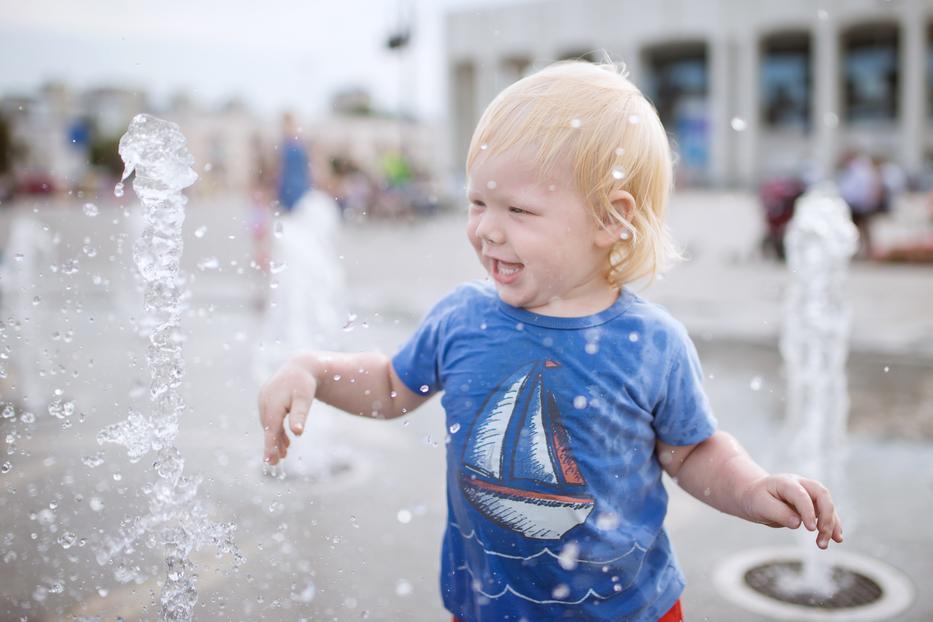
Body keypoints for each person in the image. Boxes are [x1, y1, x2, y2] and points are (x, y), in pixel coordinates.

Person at [258, 61, 843, 622]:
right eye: (477, 202)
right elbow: (389, 386)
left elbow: (690, 451)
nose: (487, 228)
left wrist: (752, 488)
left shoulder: (649, 342)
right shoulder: (463, 319)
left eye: (518, 209)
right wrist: (315, 368)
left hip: (628, 610)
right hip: (489, 605)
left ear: (610, 220)